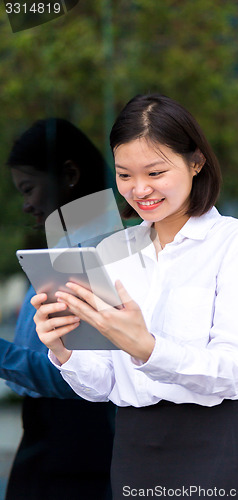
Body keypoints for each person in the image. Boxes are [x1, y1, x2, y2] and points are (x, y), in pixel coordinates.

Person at [32, 95, 238, 499]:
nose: (139, 190)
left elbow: (234, 368)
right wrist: (64, 349)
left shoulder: (235, 242)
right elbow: (103, 383)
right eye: (124, 175)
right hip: (134, 444)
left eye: (156, 172)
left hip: (214, 440)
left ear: (196, 163)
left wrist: (148, 347)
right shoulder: (110, 252)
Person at [2, 118, 116, 500]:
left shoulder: (92, 254)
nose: (26, 204)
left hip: (73, 448)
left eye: (29, 188)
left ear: (69, 174)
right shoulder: (69, 248)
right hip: (59, 443)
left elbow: (77, 378)